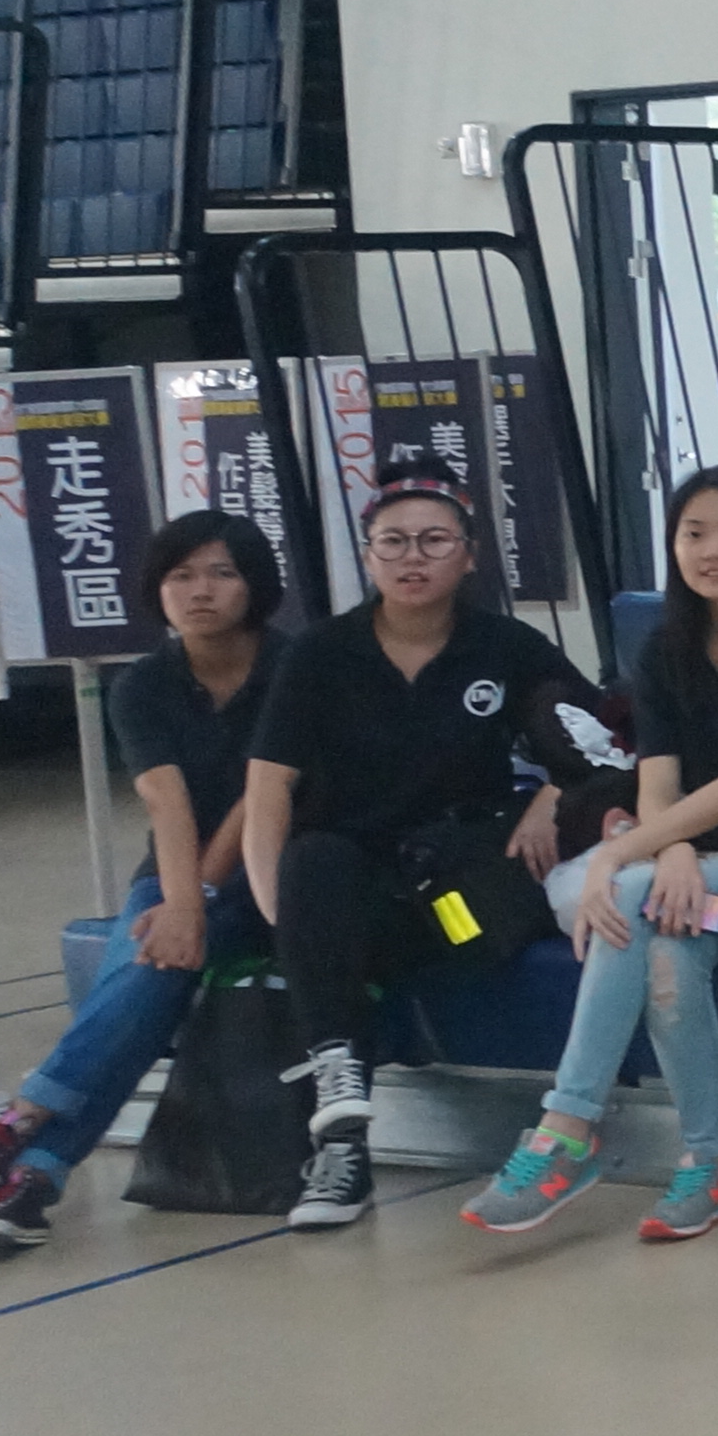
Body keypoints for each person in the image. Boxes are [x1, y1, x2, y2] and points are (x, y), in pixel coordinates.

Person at [461, 465, 718, 1242]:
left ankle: (566, 1130)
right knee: (665, 955)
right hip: (700, 897)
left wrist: (620, 860)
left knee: (624, 894)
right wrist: (671, 849)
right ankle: (714, 1163)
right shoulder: (666, 649)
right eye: (694, 533)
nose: (712, 550)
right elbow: (659, 782)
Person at [238, 472, 604, 1235]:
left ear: (469, 556)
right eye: (394, 542)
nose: (413, 557)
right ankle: (342, 1137)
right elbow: (269, 790)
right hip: (350, 878)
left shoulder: (506, 647)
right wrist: (284, 919)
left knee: (429, 922)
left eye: (435, 541)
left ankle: (342, 1127)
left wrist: (550, 797)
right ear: (368, 556)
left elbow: (600, 743)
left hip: (458, 888)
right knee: (313, 865)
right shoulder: (321, 653)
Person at [0, 515, 282, 1253]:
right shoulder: (143, 685)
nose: (200, 591)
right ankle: (31, 1178)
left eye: (222, 573)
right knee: (154, 960)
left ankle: (27, 1125)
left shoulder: (293, 669)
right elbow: (167, 801)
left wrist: (193, 904)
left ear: (255, 584)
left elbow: (257, 798)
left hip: (269, 872)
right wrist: (180, 902)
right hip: (171, 870)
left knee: (158, 952)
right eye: (180, 576)